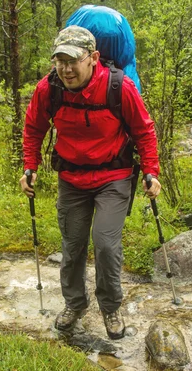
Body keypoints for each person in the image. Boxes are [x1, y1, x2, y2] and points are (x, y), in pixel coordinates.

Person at [19, 26, 161, 340]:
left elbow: (144, 131)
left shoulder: (118, 87)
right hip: (71, 178)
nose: (66, 68)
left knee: (106, 244)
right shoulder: (49, 88)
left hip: (113, 177)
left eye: (73, 60)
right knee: (72, 246)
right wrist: (30, 165)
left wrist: (151, 171)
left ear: (94, 58)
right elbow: (33, 128)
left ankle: (110, 307)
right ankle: (75, 303)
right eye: (60, 60)